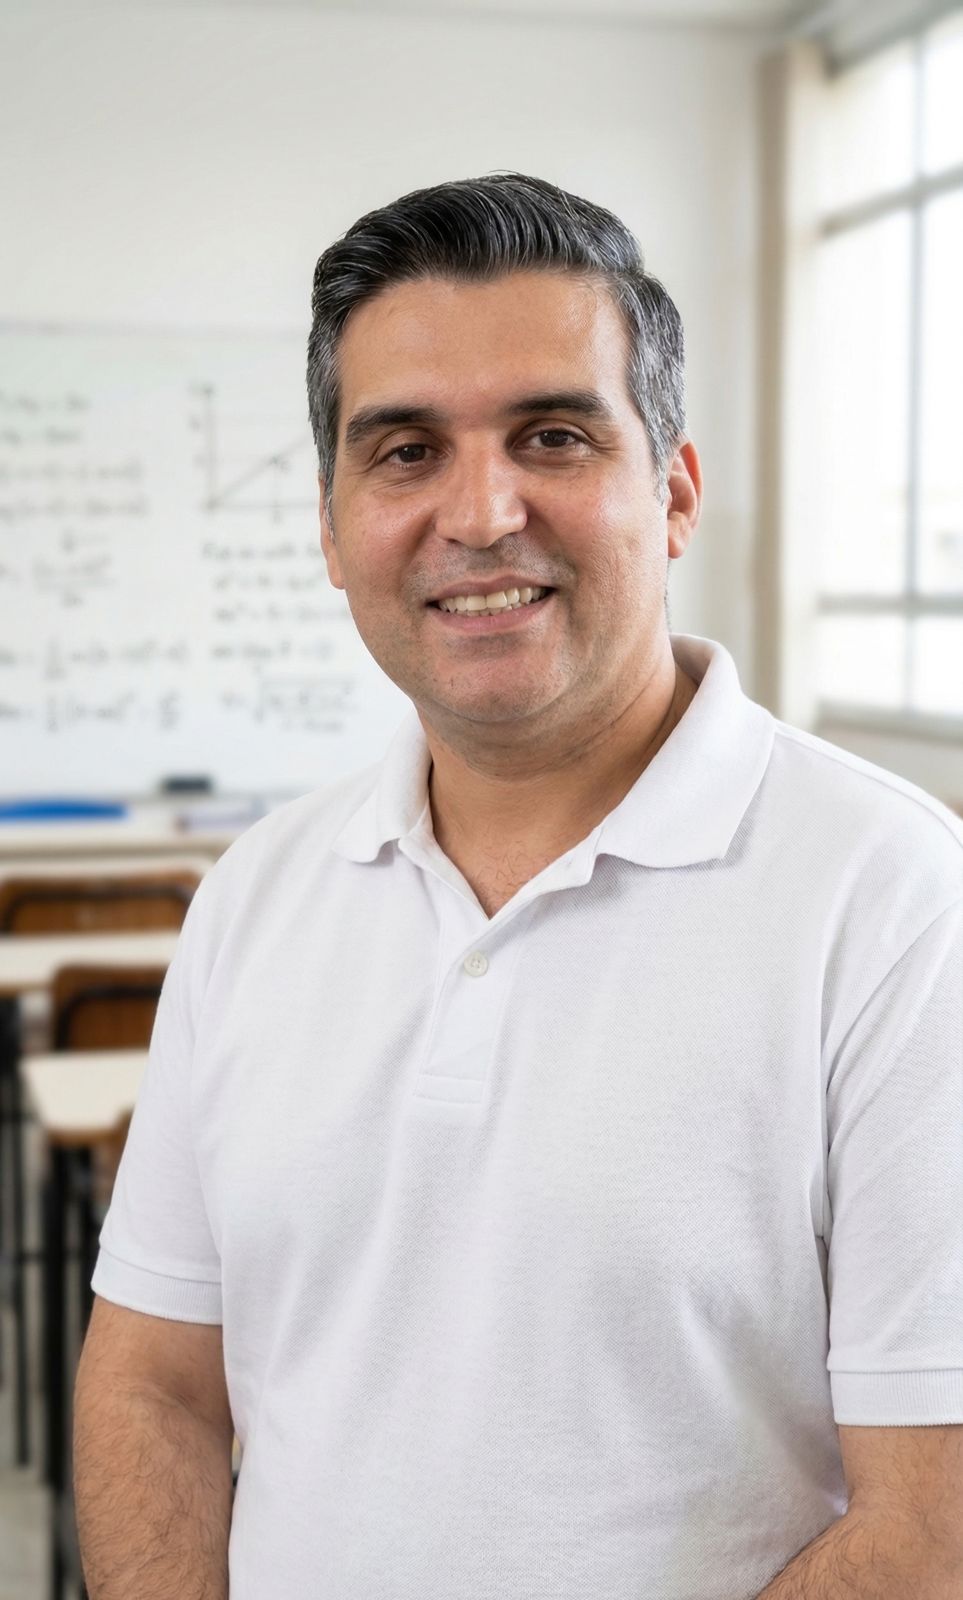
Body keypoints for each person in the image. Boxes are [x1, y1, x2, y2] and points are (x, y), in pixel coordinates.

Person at [74, 173, 963, 1600]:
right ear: (330, 526)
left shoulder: (897, 903)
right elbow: (158, 1389)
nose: (480, 515)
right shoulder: (256, 896)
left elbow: (936, 1533)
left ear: (670, 492)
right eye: (405, 451)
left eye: (552, 434)